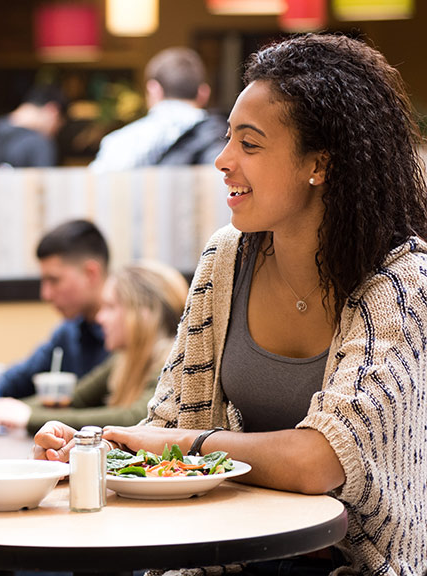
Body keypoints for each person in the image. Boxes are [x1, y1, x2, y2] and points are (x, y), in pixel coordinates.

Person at [35, 34, 427, 573]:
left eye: (250, 144)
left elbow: (323, 460)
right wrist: (95, 450)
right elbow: (169, 422)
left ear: (320, 163)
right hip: (234, 556)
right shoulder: (227, 258)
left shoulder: (401, 283)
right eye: (227, 140)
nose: (222, 161)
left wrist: (189, 445)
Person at [0, 261, 187, 434]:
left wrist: (29, 418)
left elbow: (132, 418)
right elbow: (76, 397)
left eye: (110, 307)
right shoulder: (122, 359)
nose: (100, 318)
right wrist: (13, 408)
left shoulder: (172, 361)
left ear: (143, 315)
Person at [0, 219, 110, 398]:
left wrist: (29, 414)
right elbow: (16, 383)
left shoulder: (129, 335)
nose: (46, 295)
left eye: (54, 280)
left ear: (91, 274)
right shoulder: (69, 332)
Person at [90, 46, 226, 171]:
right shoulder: (225, 139)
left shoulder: (119, 143)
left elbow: (94, 191)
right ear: (204, 93)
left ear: (154, 89)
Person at [0, 84, 65, 168]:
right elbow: (43, 186)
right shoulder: (39, 143)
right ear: (53, 111)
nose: (54, 132)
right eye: (57, 125)